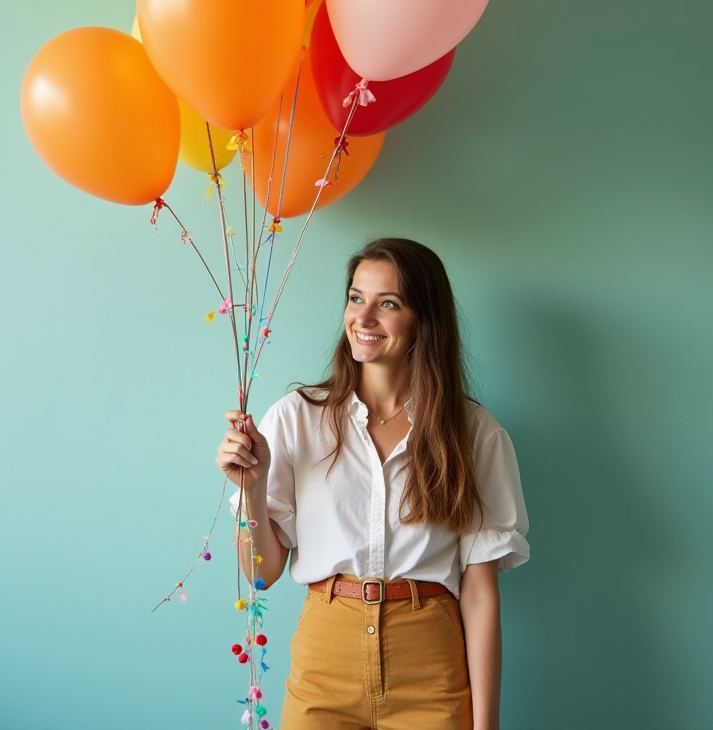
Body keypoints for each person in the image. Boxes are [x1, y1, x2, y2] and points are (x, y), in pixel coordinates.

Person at [216, 238, 529, 730]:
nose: (363, 319)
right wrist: (253, 489)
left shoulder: (474, 433)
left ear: (424, 319)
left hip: (430, 661)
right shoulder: (298, 418)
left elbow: (480, 593)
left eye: (388, 303)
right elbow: (261, 573)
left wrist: (485, 725)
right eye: (356, 298)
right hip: (325, 660)